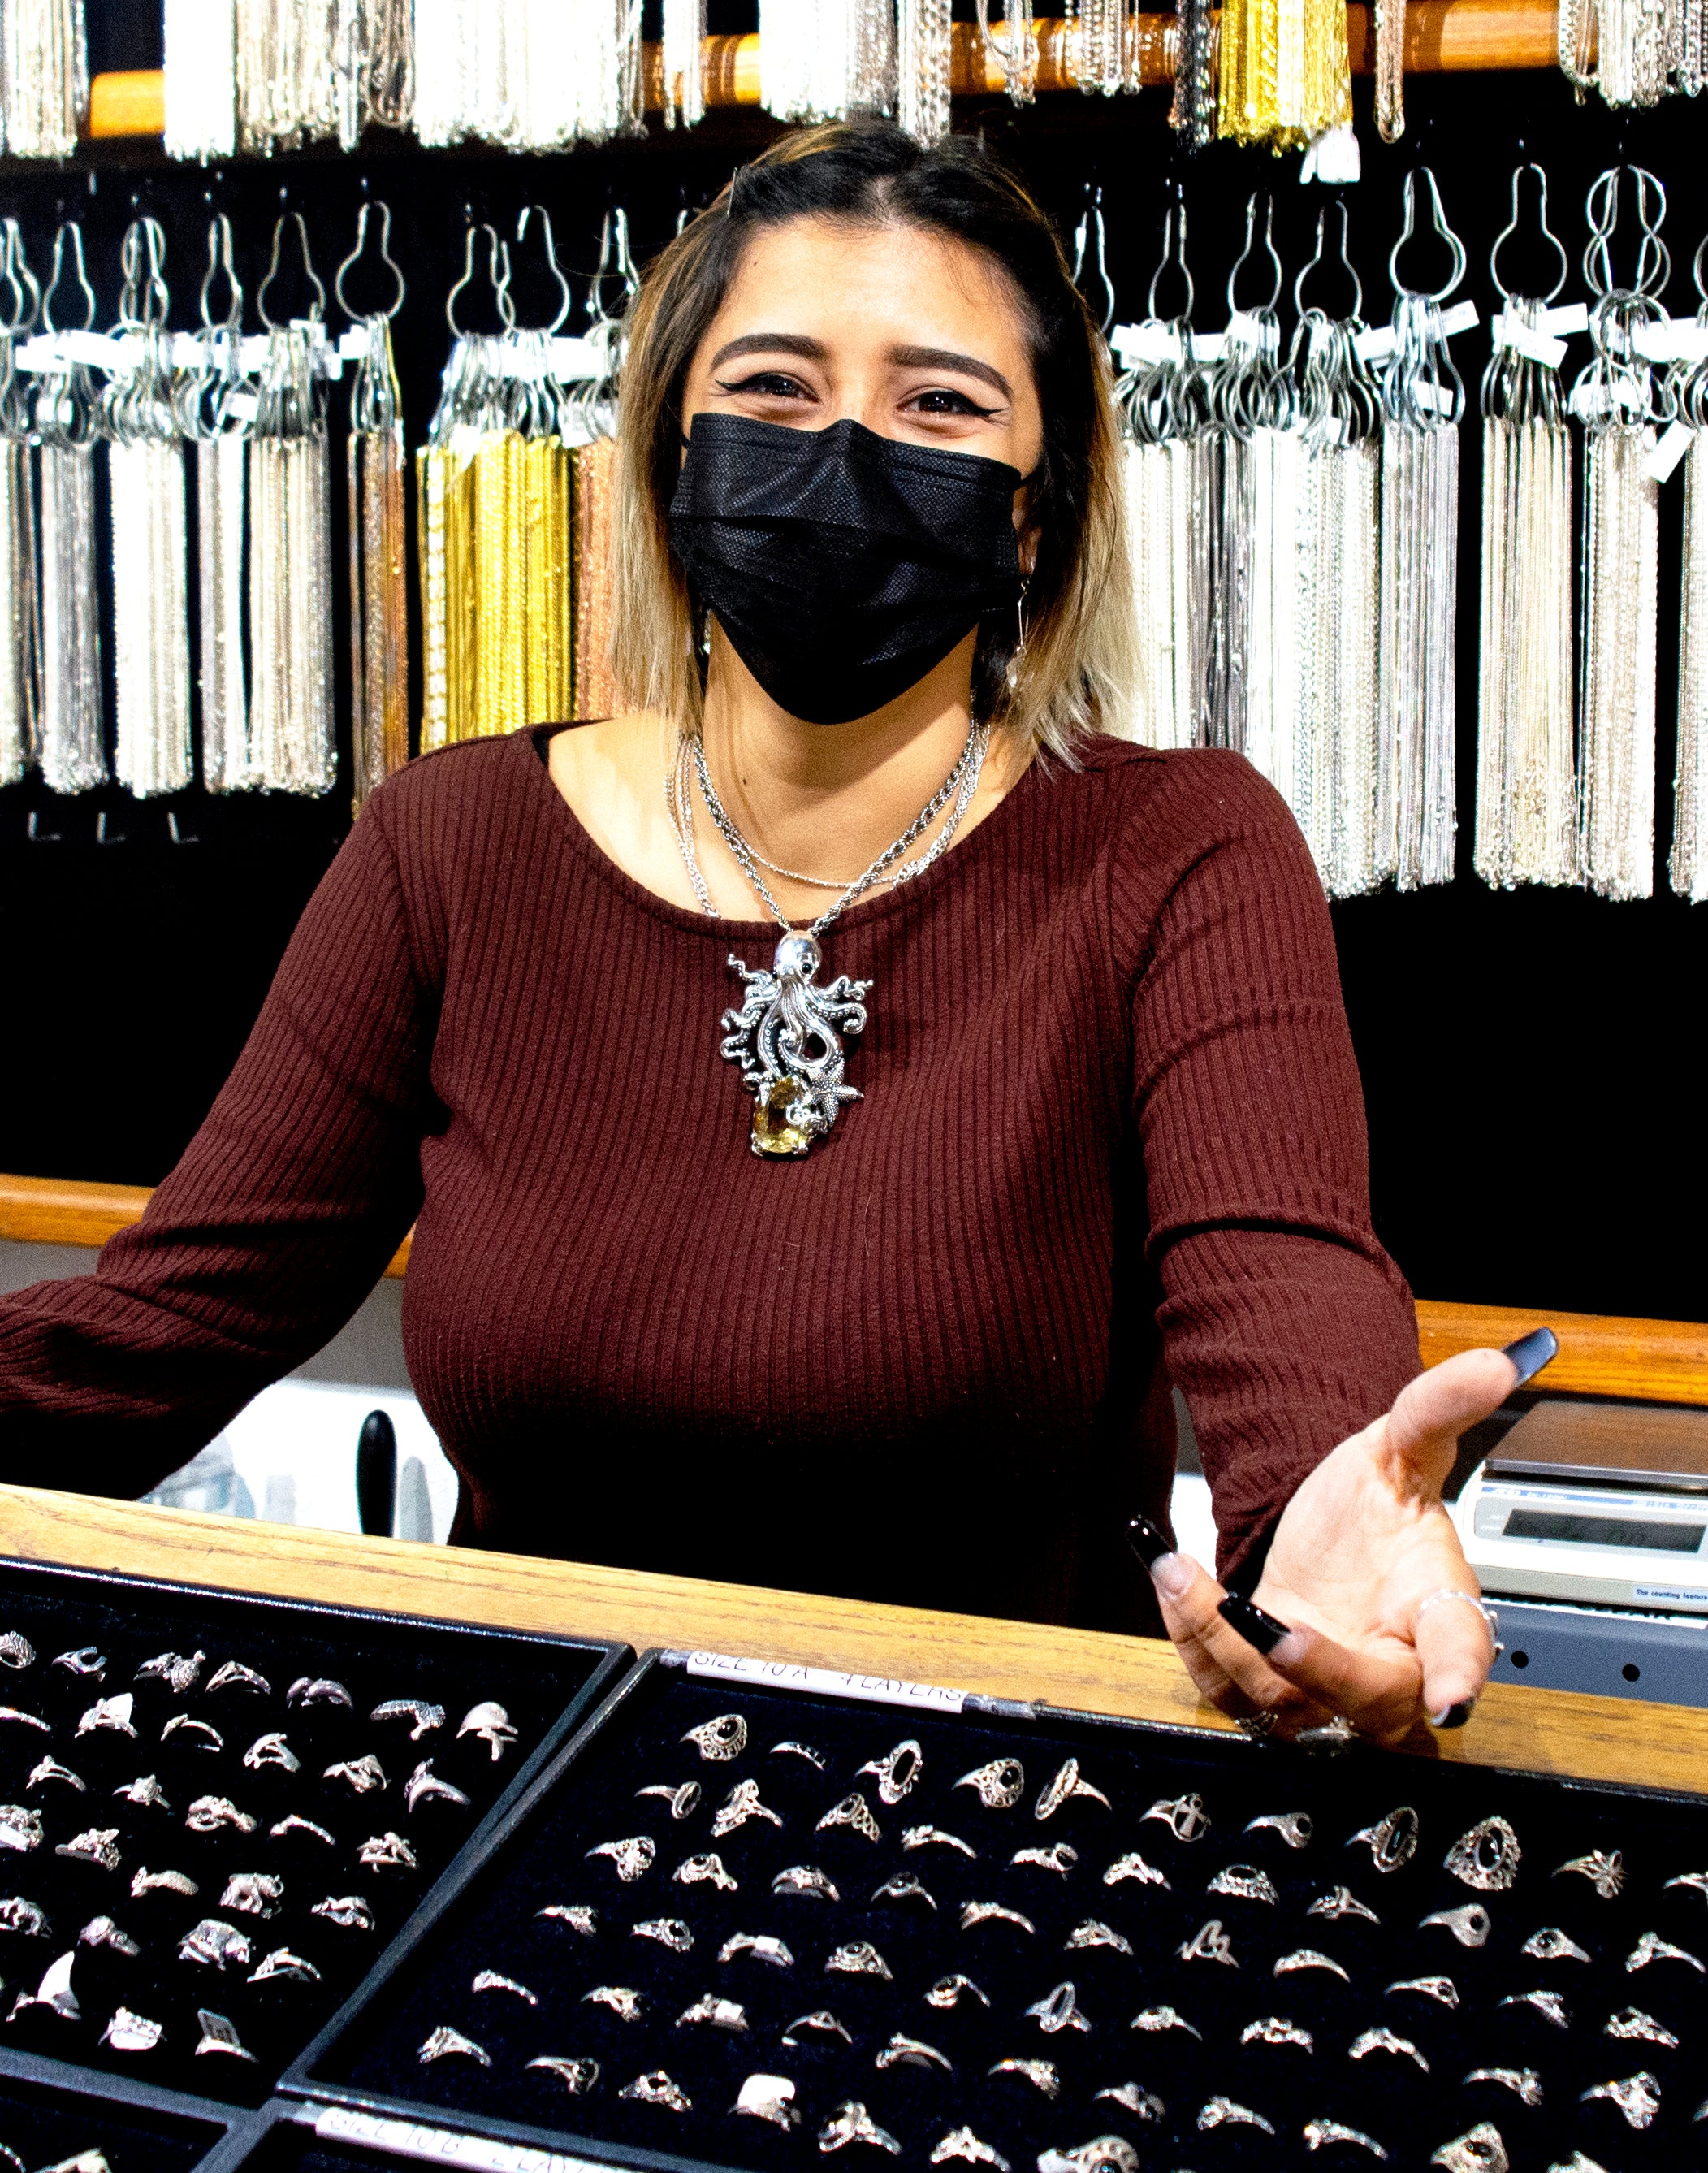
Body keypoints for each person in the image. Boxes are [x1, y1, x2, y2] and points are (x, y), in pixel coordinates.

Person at [0, 122, 1529, 1747]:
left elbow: (1273, 1276)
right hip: (511, 1813)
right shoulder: (451, 851)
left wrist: (1320, 1517)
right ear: (668, 459)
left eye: (938, 404)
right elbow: (151, 1334)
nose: (845, 456)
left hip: (1001, 1825)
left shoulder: (1172, 854)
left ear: (1032, 515)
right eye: (774, 390)